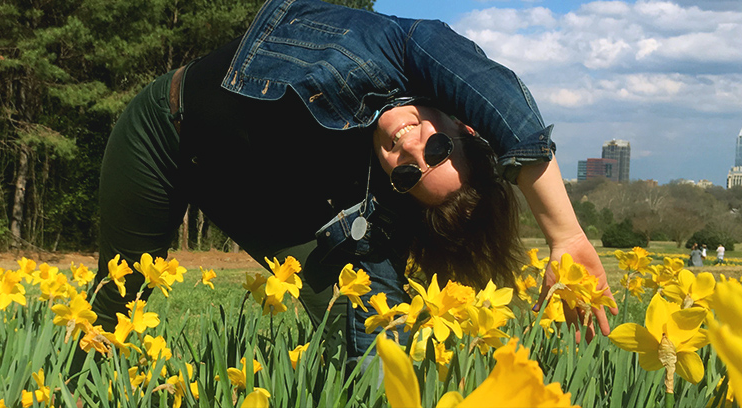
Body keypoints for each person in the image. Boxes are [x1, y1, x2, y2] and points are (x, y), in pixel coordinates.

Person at [91, 0, 616, 367]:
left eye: (411, 175)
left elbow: (380, 299)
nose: (411, 151)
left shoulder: (374, 187)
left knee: (368, 321)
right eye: (439, 149)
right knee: (115, 302)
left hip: (247, 197)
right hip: (163, 137)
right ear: (464, 127)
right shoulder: (405, 50)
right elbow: (505, 107)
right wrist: (566, 237)